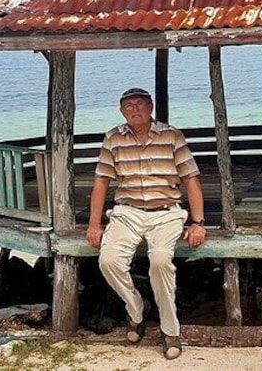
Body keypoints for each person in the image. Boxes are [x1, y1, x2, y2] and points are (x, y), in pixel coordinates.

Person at [86, 87, 206, 360]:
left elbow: (191, 180)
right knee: (108, 260)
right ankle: (136, 310)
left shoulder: (171, 136)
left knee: (161, 260)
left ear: (151, 106)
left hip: (166, 211)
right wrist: (94, 224)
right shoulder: (113, 138)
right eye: (129, 106)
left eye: (140, 104)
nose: (135, 109)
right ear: (121, 111)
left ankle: (170, 330)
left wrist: (198, 222)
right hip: (127, 211)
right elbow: (101, 182)